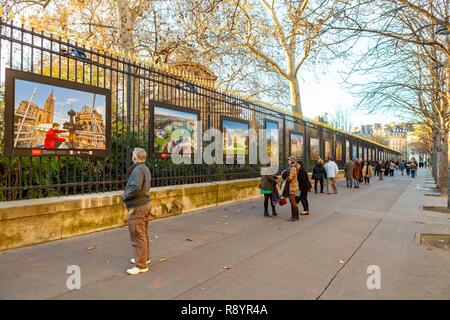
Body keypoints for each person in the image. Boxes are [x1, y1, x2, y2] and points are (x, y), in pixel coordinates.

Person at [123, 148, 152, 275]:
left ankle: (141, 265)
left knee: (137, 234)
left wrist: (124, 196)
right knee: (143, 233)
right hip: (145, 204)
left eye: (132, 155)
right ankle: (144, 258)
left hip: (138, 206)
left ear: (135, 157)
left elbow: (135, 187)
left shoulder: (138, 169)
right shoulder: (144, 168)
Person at [283, 156, 299, 221]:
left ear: (292, 161)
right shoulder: (292, 167)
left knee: (293, 202)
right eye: (288, 160)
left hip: (292, 187)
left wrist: (284, 178)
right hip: (292, 186)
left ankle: (294, 217)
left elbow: (290, 178)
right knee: (293, 202)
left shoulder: (292, 168)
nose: (288, 161)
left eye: (289, 160)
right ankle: (295, 216)